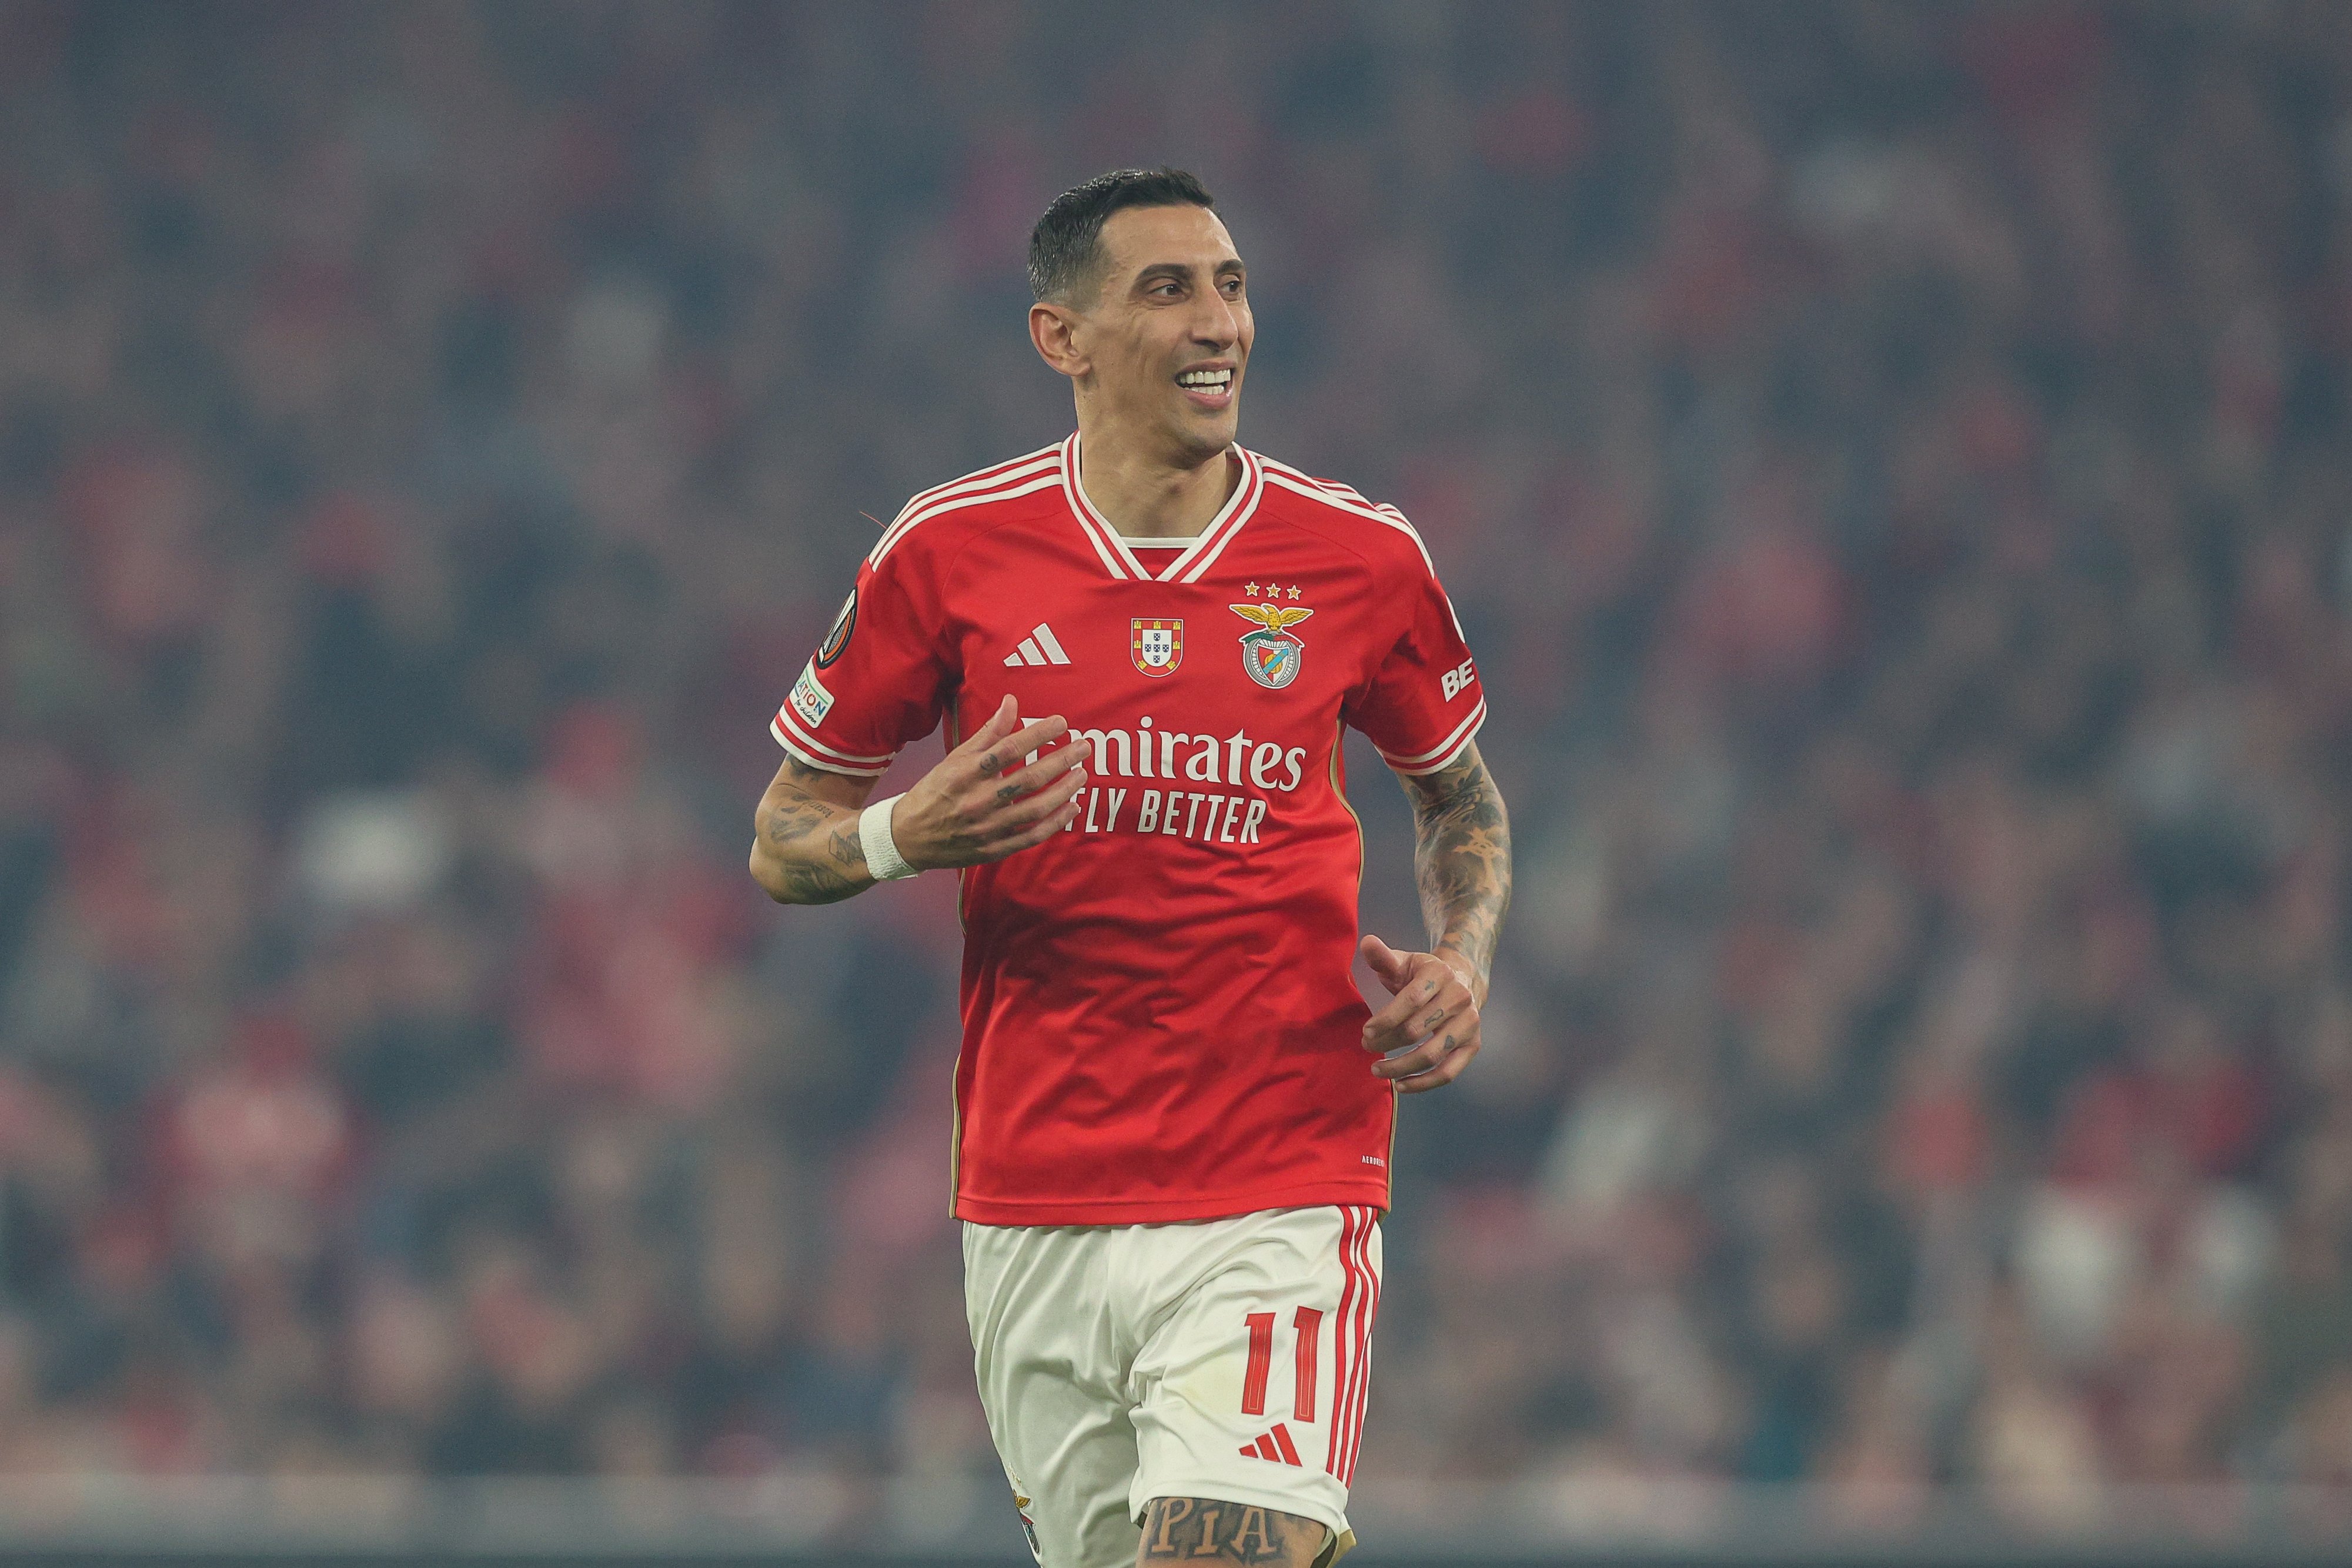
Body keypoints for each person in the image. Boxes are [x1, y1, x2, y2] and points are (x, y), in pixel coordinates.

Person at [748, 168, 1511, 1568]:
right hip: (1035, 1192)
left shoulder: (1359, 557)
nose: (1218, 321)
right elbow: (782, 835)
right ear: (1063, 338)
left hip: (1278, 1174)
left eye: (1230, 285)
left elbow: (1456, 793)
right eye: (1168, 290)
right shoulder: (947, 550)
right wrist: (905, 833)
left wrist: (1461, 960)